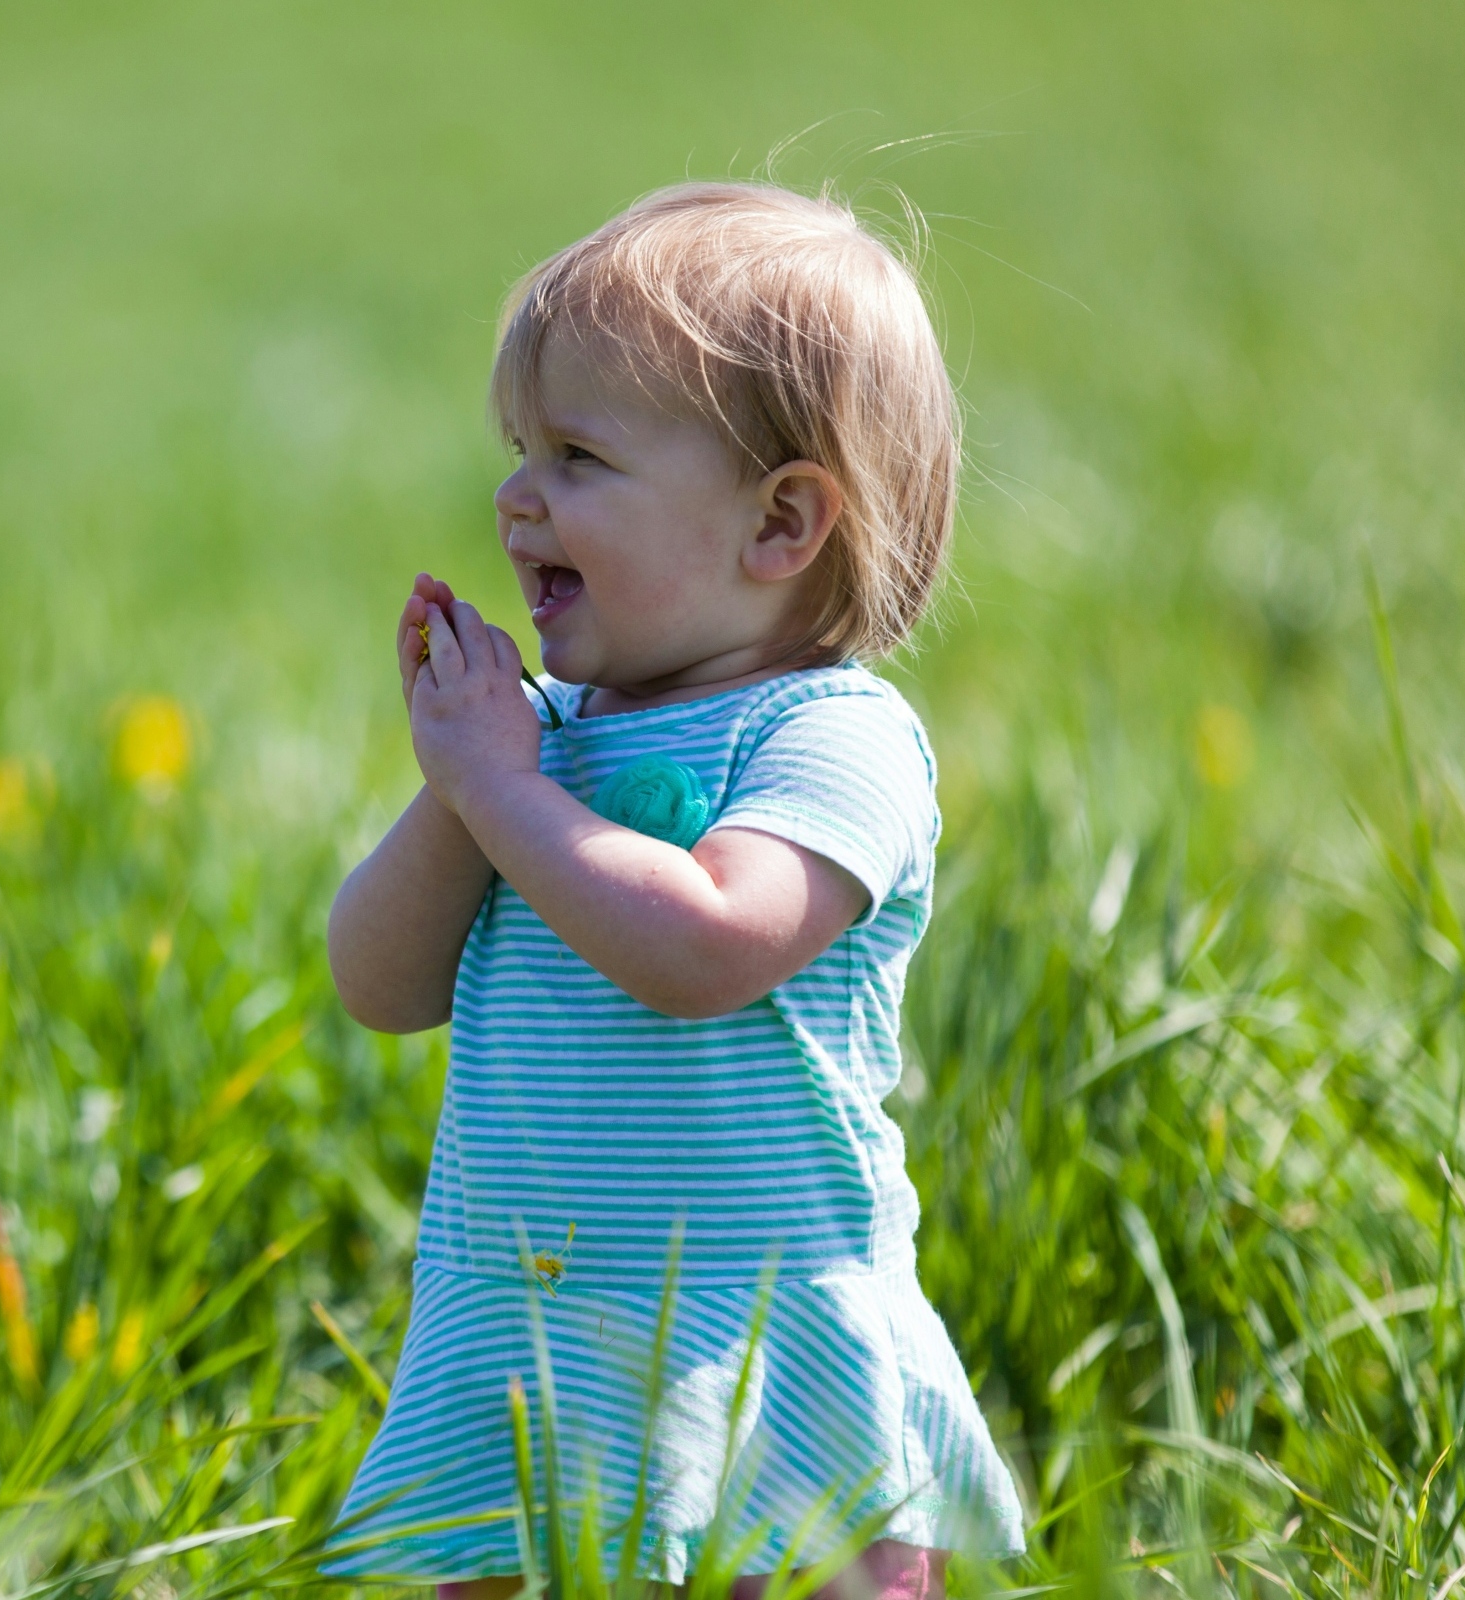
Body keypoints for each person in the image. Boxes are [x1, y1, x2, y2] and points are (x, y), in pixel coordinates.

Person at [321, 183, 1026, 1599]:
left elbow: (711, 943)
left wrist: (509, 793)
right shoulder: (543, 746)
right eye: (520, 452)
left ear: (781, 525)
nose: (518, 497)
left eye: (579, 455)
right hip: (529, 1333)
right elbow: (379, 986)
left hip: (758, 1340)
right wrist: (470, 784)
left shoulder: (831, 736)